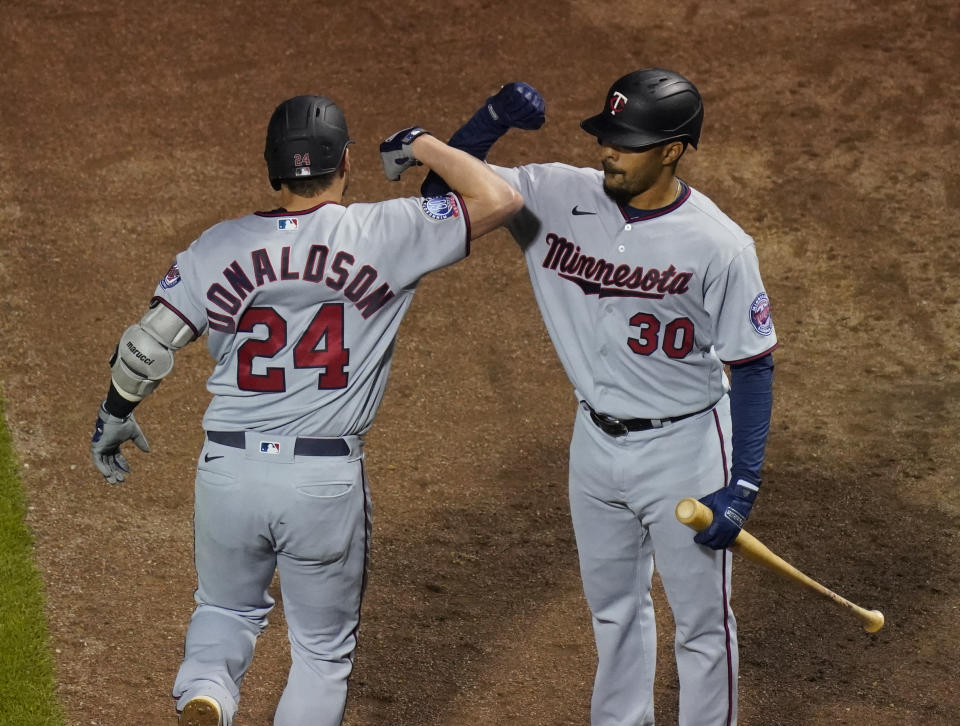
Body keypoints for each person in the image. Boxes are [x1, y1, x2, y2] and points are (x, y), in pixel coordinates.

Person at [89, 93, 525, 726]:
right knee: (321, 656)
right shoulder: (385, 229)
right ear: (345, 159)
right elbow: (499, 199)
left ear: (272, 167)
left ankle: (208, 691)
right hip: (322, 480)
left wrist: (114, 412)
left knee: (224, 610)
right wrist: (422, 143)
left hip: (228, 469)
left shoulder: (217, 244)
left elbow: (144, 344)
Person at [423, 72, 777, 725]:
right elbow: (442, 187)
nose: (609, 151)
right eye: (607, 136)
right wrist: (491, 115)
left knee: (701, 624)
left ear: (672, 149)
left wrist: (745, 483)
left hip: (687, 449)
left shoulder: (719, 245)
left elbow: (753, 364)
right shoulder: (556, 193)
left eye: (629, 142)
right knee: (614, 610)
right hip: (592, 444)